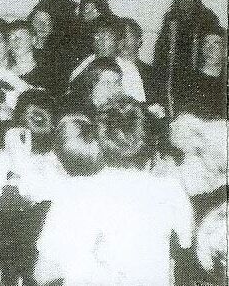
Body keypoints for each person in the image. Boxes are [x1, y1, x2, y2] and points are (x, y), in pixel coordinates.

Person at [36, 98, 193, 286]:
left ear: (97, 142)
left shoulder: (72, 191)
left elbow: (43, 273)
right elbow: (185, 241)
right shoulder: (170, 188)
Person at [153, 0, 221, 117]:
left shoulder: (207, 20)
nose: (185, 2)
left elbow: (213, 48)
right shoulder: (171, 21)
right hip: (174, 77)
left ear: (196, 0)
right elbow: (160, 54)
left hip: (201, 77)